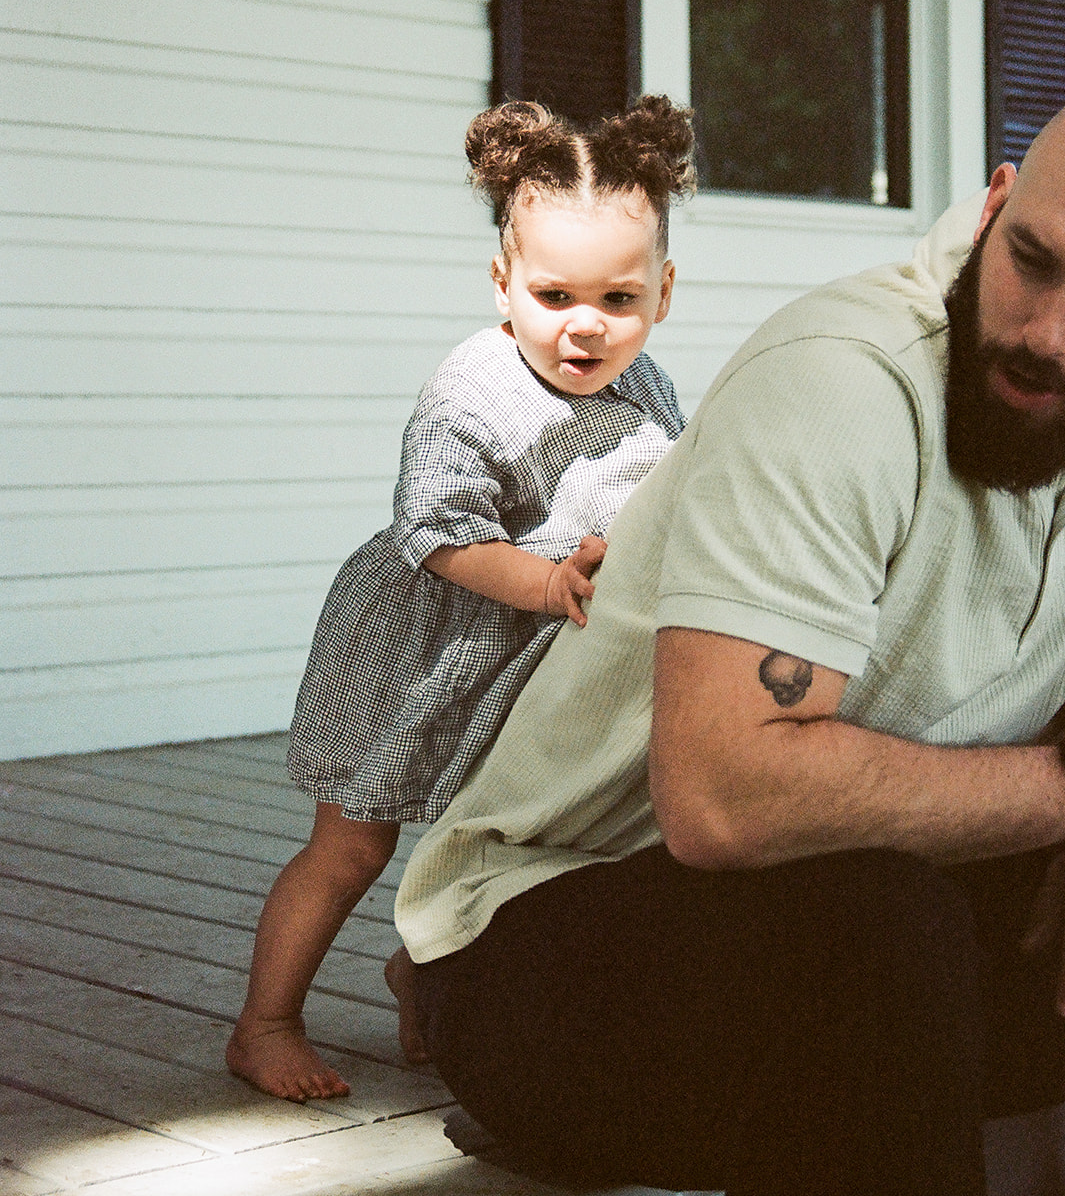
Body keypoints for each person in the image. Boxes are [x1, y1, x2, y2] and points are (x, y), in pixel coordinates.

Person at [395, 110, 1065, 1196]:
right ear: (992, 209)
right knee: (877, 933)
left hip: (884, 912)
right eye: (1032, 259)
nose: (1047, 334)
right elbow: (725, 797)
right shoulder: (843, 383)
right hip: (550, 944)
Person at [226, 94, 696, 1102]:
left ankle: (423, 977)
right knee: (353, 844)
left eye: (618, 298)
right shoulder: (473, 389)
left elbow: (670, 490)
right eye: (553, 293)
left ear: (662, 293)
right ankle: (264, 1022)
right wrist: (548, 577)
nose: (585, 324)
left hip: (537, 661)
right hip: (423, 646)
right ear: (502, 283)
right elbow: (437, 532)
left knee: (506, 842)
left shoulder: (646, 385)